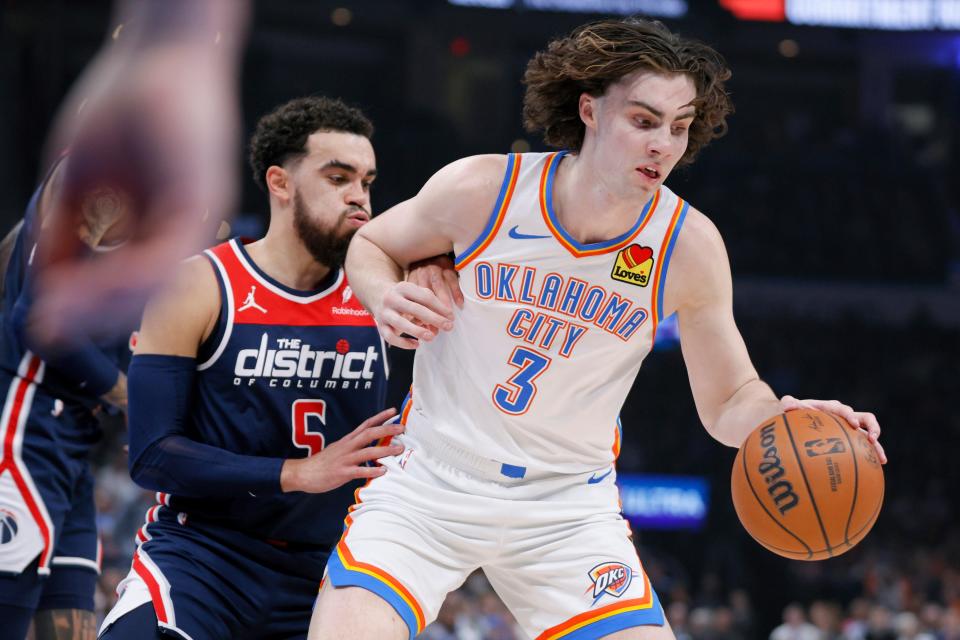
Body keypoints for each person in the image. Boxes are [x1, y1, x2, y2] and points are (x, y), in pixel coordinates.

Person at [309, 18, 887, 640]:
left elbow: (728, 402)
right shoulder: (484, 189)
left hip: (566, 509)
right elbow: (371, 242)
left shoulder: (687, 245)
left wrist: (785, 420)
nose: (664, 144)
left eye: (680, 126)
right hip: (431, 481)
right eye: (644, 121)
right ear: (589, 110)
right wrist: (384, 295)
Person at [96, 96, 458, 640]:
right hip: (205, 557)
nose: (359, 196)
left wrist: (438, 257)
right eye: (338, 178)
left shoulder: (384, 288)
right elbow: (151, 456)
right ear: (280, 183)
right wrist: (294, 474)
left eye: (367, 180)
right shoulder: (199, 284)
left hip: (335, 569)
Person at [31, 0, 249, 348]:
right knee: (185, 232)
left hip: (111, 76)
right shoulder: (180, 98)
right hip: (179, 84)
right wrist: (73, 305)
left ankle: (63, 306)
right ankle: (64, 308)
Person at [0, 156, 132, 640]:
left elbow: (13, 255)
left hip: (76, 439)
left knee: (73, 620)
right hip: (25, 424)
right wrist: (134, 396)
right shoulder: (99, 175)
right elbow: (34, 318)